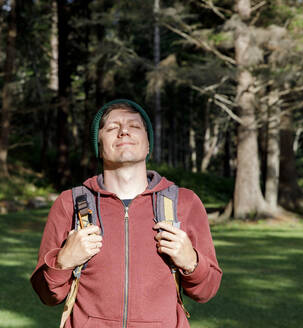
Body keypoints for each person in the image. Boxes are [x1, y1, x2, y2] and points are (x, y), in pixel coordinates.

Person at [30, 99, 222, 328]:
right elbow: (46, 294)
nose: (123, 131)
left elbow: (206, 290)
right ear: (99, 147)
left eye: (134, 126)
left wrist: (192, 262)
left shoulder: (185, 202)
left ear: (148, 145)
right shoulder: (69, 203)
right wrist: (63, 262)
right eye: (112, 128)